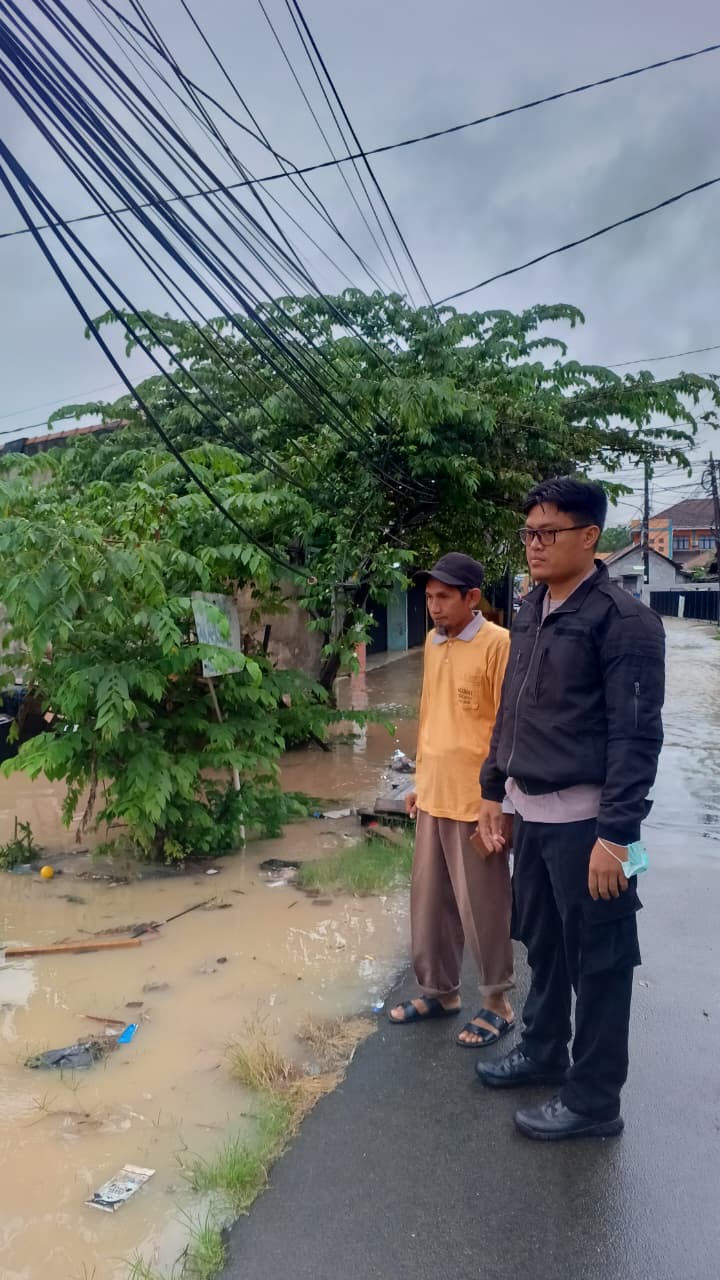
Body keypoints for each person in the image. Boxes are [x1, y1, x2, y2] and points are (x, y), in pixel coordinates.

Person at [476, 476, 665, 1140]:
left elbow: (636, 736)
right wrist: (493, 791)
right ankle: (543, 1049)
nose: (533, 544)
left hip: (592, 827)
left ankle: (593, 1100)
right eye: (528, 532)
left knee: (602, 962)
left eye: (548, 532)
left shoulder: (624, 622)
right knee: (546, 944)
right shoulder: (531, 609)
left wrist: (617, 836)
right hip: (532, 816)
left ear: (590, 536)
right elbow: (510, 711)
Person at [388, 552, 515, 1049]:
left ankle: (497, 1003)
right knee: (430, 902)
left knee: (482, 907)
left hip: (477, 803)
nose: (435, 607)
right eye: (429, 597)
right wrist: (419, 782)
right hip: (434, 795)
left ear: (472, 597)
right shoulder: (433, 642)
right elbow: (430, 717)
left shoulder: (497, 644)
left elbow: (508, 728)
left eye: (444, 597)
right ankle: (440, 993)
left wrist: (500, 800)